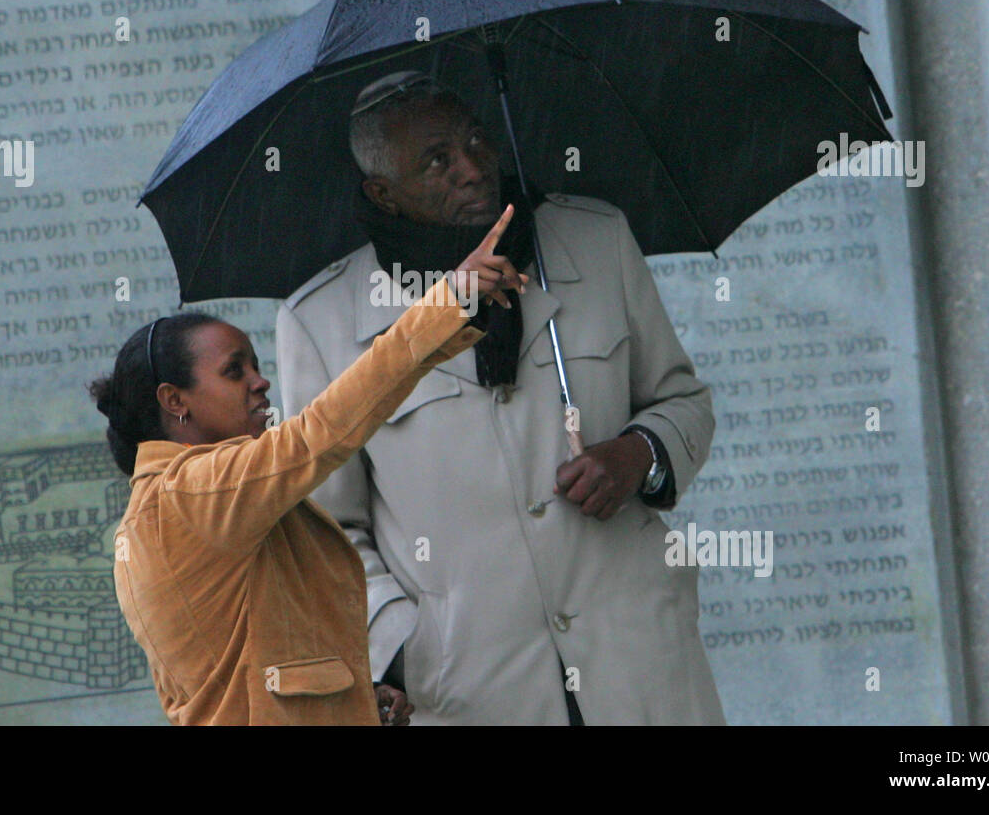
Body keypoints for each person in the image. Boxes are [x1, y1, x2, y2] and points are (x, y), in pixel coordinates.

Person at [276, 70, 726, 725]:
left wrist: (640, 453)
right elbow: (327, 534)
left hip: (639, 662)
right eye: (436, 160)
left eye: (476, 140)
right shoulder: (321, 322)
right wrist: (404, 647)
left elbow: (683, 400)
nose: (472, 168)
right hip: (473, 692)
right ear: (383, 192)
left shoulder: (595, 241)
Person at [90, 205, 527, 725]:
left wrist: (350, 698)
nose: (261, 382)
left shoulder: (183, 503)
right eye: (234, 371)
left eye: (255, 364)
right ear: (174, 400)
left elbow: (249, 667)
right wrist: (448, 300)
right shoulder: (188, 494)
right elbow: (321, 432)